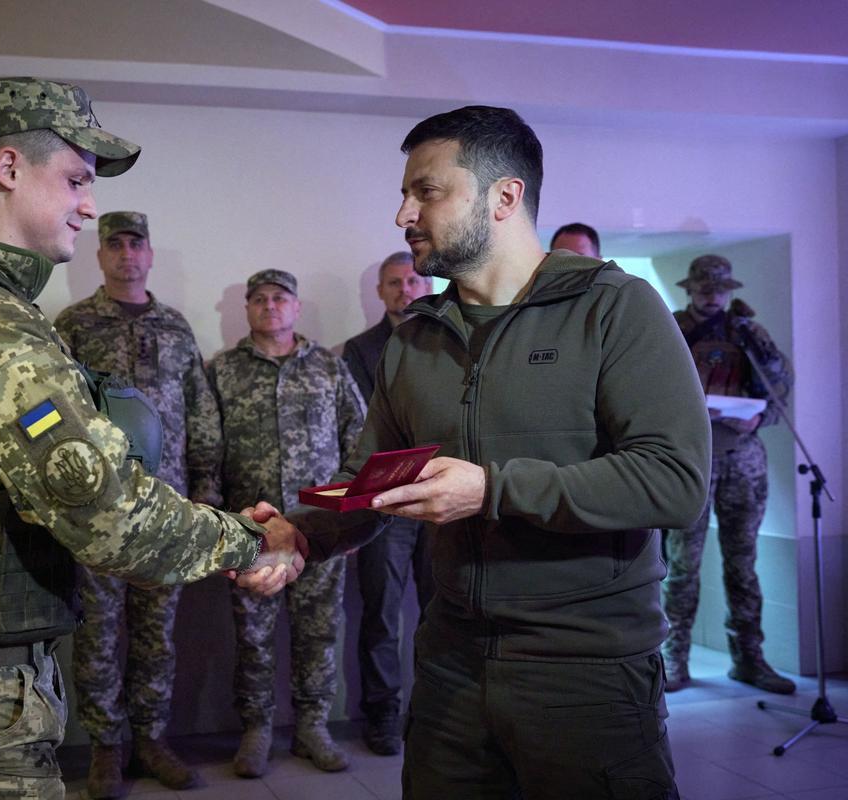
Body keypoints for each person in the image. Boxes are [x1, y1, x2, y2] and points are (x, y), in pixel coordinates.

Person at [0, 77, 304, 800]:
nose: (88, 206)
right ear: (7, 168)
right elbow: (109, 517)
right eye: (76, 179)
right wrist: (253, 542)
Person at [280, 106, 711, 799]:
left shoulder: (615, 309)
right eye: (404, 194)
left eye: (426, 191)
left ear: (504, 197)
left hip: (584, 673)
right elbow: (371, 480)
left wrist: (493, 490)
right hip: (451, 668)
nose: (402, 215)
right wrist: (300, 534)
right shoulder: (415, 338)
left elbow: (675, 481)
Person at [55, 211, 222, 797]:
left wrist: (207, 491)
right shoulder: (73, 325)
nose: (127, 254)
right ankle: (106, 747)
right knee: (98, 632)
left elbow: (201, 410)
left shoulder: (176, 328)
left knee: (157, 633)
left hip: (166, 508)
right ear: (99, 257)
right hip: (97, 508)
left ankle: (150, 739)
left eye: (136, 244)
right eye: (115, 245)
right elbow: (53, 416)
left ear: (149, 255)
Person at [207, 269, 364, 778]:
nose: (269, 306)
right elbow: (206, 451)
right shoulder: (223, 371)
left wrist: (357, 523)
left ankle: (312, 726)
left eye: (280, 298)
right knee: (253, 636)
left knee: (318, 632)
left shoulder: (328, 368)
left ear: (296, 308)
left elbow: (359, 443)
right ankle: (256, 730)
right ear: (246, 309)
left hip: (321, 530)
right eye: (258, 299)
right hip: (251, 532)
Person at [661, 255, 795, 695]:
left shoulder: (746, 330)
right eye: (704, 288)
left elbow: (779, 386)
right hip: (692, 458)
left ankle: (749, 659)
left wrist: (759, 419)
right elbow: (650, 390)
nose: (712, 295)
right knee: (682, 567)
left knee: (744, 565)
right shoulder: (672, 329)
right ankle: (673, 660)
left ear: (729, 290)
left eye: (719, 288)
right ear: (690, 288)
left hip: (742, 458)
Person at [341, 251, 434, 755]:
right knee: (382, 612)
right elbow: (364, 429)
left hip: (442, 496)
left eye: (414, 279)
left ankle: (437, 711)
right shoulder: (359, 351)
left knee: (443, 610)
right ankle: (383, 714)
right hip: (384, 501)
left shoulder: (451, 339)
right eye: (395, 282)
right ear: (380, 292)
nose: (406, 289)